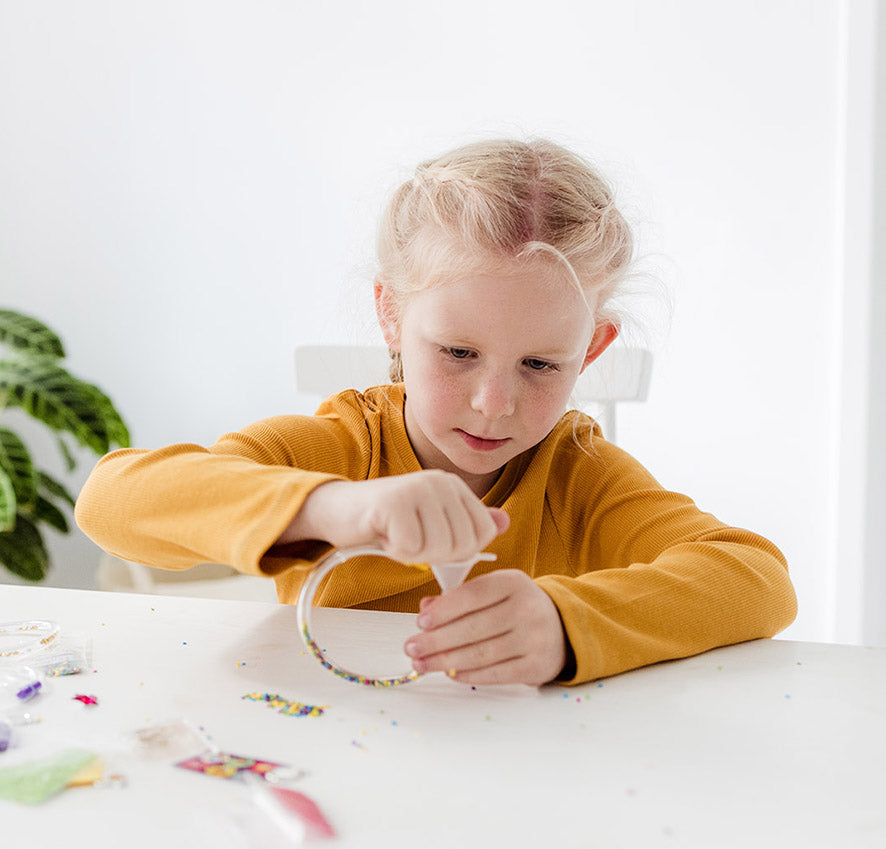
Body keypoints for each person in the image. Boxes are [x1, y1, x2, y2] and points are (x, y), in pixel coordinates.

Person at [75, 138, 797, 687]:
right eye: (457, 352)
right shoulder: (344, 448)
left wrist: (568, 623)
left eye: (542, 365)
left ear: (593, 348)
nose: (495, 403)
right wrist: (331, 508)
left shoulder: (580, 478)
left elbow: (757, 580)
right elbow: (111, 501)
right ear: (391, 316)